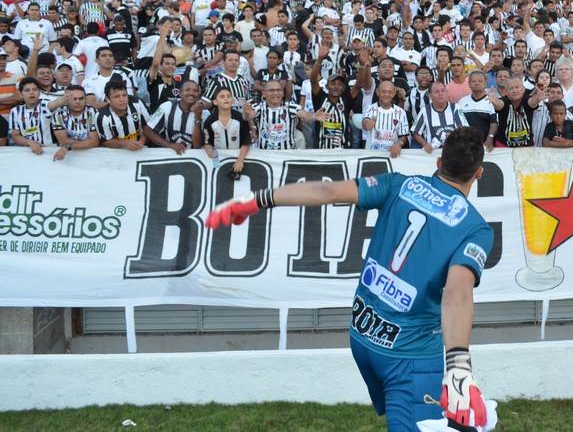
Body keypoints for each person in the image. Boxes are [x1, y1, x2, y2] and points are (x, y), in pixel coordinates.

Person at [204, 127, 493, 431]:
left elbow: (326, 191)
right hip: (410, 355)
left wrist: (256, 199)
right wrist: (458, 364)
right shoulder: (476, 229)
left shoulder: (398, 184)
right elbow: (457, 293)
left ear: (438, 163)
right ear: (479, 173)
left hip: (363, 337)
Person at [201, 86, 252, 177]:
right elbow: (207, 141)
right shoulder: (210, 120)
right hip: (219, 160)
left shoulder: (240, 118)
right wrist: (209, 150)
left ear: (232, 101)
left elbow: (246, 142)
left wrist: (240, 160)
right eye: (222, 97)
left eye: (229, 96)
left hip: (239, 159)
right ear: (215, 102)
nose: (226, 99)